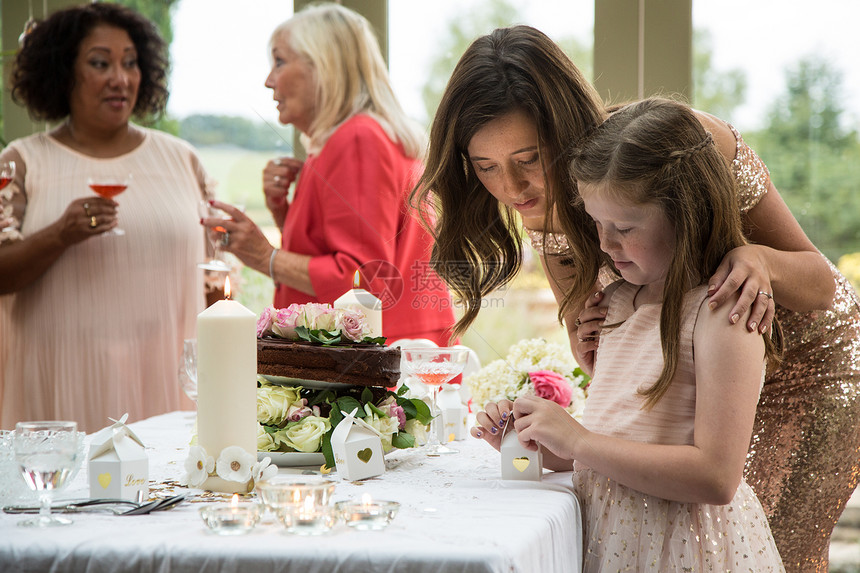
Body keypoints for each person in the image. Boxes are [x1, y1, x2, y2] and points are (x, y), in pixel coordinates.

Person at [413, 25, 860, 571]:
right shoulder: (557, 215)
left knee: (745, 549)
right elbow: (615, 384)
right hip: (695, 383)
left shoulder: (676, 145)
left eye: (529, 158)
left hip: (807, 369)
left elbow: (819, 281)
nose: (512, 188)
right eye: (485, 168)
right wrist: (585, 347)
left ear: (562, 128)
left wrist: (759, 259)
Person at [475, 98, 785, 570]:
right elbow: (613, 446)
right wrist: (538, 440)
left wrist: (578, 441)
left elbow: (716, 477)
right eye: (597, 223)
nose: (604, 243)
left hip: (681, 547)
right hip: (611, 535)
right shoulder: (615, 302)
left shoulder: (723, 313)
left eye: (623, 226)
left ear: (688, 213)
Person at [0, 3, 215, 433]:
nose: (120, 78)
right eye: (100, 63)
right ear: (63, 72)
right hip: (60, 385)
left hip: (166, 385)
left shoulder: (182, 160)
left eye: (131, 63)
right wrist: (59, 234)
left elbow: (215, 281)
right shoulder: (22, 161)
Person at [205, 3, 455, 345]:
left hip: (385, 361)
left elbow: (366, 280)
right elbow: (344, 255)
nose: (268, 81)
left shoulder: (356, 139)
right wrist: (285, 214)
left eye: (279, 61)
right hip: (397, 350)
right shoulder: (353, 137)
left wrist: (267, 257)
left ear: (323, 66)